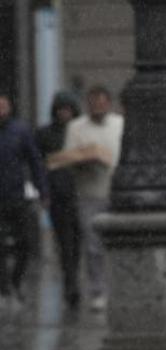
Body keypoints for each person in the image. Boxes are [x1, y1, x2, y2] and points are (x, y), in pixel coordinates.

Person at [58, 86, 123, 311]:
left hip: (116, 192)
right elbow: (66, 156)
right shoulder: (76, 128)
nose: (98, 107)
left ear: (108, 104)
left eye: (102, 103)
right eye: (93, 104)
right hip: (88, 193)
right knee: (93, 246)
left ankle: (118, 288)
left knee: (118, 243)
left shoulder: (120, 124)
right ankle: (98, 290)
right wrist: (85, 158)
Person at [0, 92, 49, 309]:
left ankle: (16, 281)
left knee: (24, 243)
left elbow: (35, 161)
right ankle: (3, 288)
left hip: (17, 195)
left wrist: (43, 191)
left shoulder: (20, 131)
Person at [36, 92, 82, 308]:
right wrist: (44, 192)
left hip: (80, 193)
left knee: (79, 240)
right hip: (58, 195)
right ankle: (70, 283)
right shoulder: (45, 134)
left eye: (67, 109)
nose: (64, 113)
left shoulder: (80, 131)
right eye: (60, 109)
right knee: (65, 242)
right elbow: (38, 164)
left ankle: (73, 277)